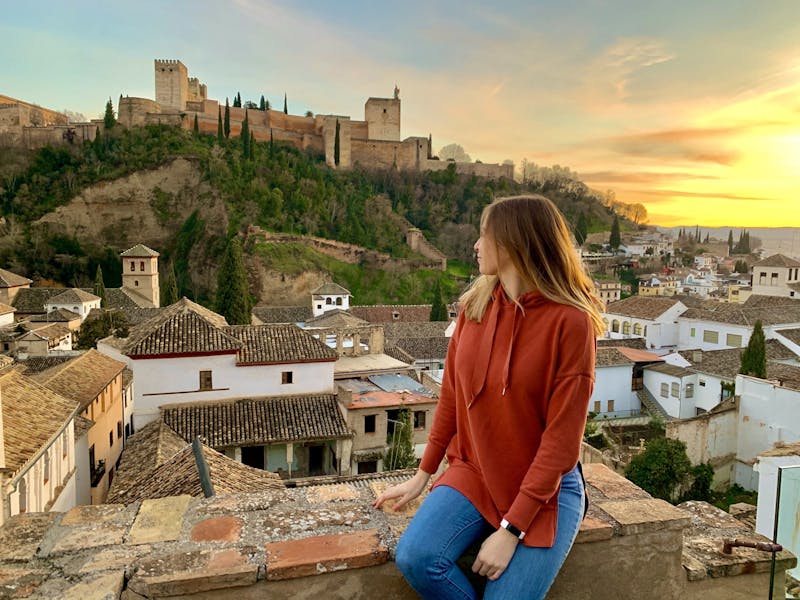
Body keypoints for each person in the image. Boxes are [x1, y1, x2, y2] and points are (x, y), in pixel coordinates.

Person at [373, 195, 605, 600]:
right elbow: (452, 396)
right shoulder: (473, 307)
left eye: (485, 235)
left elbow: (561, 443)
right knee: (416, 556)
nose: (476, 246)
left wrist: (512, 530)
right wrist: (423, 473)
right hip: (476, 469)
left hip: (545, 489)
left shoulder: (571, 323)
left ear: (515, 243)